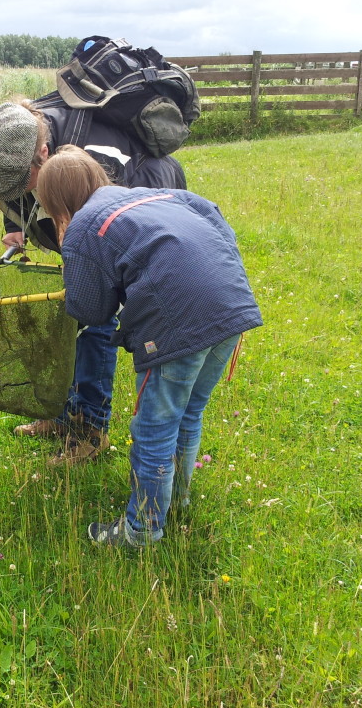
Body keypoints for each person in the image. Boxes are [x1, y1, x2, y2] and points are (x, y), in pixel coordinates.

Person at [35, 146, 263, 546]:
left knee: (154, 427)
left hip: (178, 322)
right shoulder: (156, 195)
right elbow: (214, 217)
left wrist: (76, 262)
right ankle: (177, 501)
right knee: (188, 413)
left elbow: (89, 311)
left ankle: (142, 530)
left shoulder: (84, 228)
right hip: (232, 306)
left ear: (56, 202)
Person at [0, 100, 186, 465]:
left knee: (95, 323)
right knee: (70, 317)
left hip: (129, 230)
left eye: (23, 185)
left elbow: (102, 242)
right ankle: (62, 414)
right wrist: (13, 228)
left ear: (43, 153)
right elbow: (15, 192)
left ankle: (92, 430)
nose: (18, 194)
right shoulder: (21, 149)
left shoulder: (92, 162)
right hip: (86, 225)